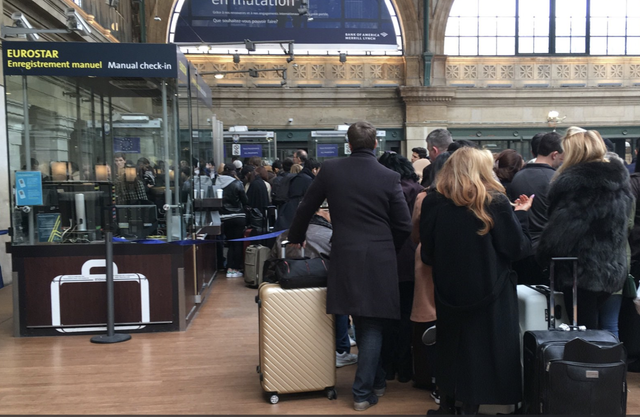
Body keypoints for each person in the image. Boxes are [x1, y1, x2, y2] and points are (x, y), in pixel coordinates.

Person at [288, 121, 412, 412]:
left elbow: (306, 207)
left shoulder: (331, 170)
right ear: (376, 144)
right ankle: (362, 391)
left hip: (344, 255)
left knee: (362, 320)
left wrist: (295, 238)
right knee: (372, 324)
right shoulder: (389, 176)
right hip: (380, 258)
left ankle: (374, 383)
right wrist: (387, 248)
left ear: (349, 143)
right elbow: (404, 225)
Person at [420, 147, 533, 415]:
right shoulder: (494, 201)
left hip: (448, 292)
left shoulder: (432, 201)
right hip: (490, 290)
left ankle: (449, 402)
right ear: (481, 170)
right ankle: (474, 405)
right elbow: (517, 249)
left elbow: (427, 253)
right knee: (485, 349)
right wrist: (522, 215)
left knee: (452, 348)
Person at [537, 127, 633, 330]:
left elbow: (562, 233)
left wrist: (541, 253)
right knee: (603, 330)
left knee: (584, 335)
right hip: (611, 269)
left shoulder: (579, 186)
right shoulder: (618, 182)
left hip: (580, 272)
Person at [271, 204, 358, 368]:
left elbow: (272, 260)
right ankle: (341, 350)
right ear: (323, 212)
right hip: (326, 289)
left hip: (290, 291)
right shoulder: (332, 235)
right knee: (339, 302)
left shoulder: (285, 235)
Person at [377, 152, 423, 384]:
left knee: (387, 316)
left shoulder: (386, 190)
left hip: (389, 257)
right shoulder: (419, 189)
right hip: (413, 258)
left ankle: (388, 366)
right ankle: (406, 368)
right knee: (407, 315)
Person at [509, 132, 563, 285]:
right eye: (561, 156)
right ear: (554, 154)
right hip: (545, 251)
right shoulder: (555, 179)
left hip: (523, 248)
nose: (562, 160)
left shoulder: (518, 176)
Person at [218, 164, 248, 278]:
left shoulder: (217, 182)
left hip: (223, 217)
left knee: (230, 243)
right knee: (237, 244)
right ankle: (234, 268)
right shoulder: (237, 183)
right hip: (238, 216)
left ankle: (229, 267)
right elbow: (245, 200)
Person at [275, 158, 321, 231]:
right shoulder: (308, 180)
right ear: (314, 169)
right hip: (297, 214)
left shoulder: (300, 177)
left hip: (288, 212)